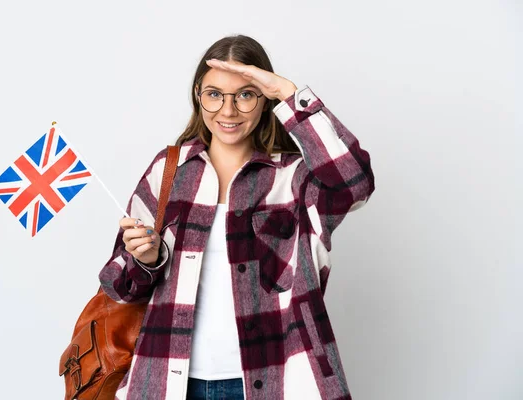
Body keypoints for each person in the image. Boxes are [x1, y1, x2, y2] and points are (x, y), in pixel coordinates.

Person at [99, 34, 374, 400]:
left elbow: (354, 183)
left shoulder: (293, 178)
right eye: (214, 94)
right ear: (198, 95)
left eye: (245, 94)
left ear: (264, 100)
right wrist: (145, 259)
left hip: (278, 383)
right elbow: (117, 285)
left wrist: (289, 94)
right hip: (170, 383)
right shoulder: (169, 172)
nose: (227, 111)